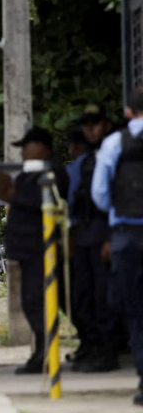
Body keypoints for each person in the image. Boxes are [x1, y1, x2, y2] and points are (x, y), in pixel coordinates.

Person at [92, 88, 143, 407]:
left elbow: (99, 193)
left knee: (137, 311)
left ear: (127, 112)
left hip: (128, 234)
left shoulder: (114, 143)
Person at [4, 128, 69, 374]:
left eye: (27, 146)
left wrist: (15, 197)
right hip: (26, 248)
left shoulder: (51, 171)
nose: (23, 151)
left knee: (37, 301)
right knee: (33, 302)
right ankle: (41, 352)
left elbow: (48, 203)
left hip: (41, 249)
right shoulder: (30, 172)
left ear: (42, 147)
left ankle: (46, 354)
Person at [67, 106, 121, 373]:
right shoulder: (87, 161)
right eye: (86, 125)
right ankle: (92, 347)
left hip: (104, 233)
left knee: (104, 298)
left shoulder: (116, 154)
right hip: (86, 235)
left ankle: (108, 353)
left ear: (106, 126)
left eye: (94, 124)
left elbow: (118, 200)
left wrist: (111, 237)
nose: (90, 130)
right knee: (83, 296)